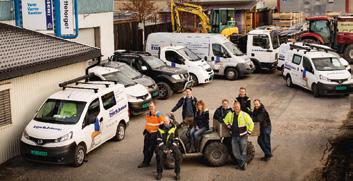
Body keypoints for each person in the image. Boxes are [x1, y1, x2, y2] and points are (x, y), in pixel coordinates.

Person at [224, 101, 254, 170]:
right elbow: (225, 120)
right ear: (233, 107)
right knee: (235, 152)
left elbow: (251, 123)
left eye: (237, 107)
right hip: (234, 136)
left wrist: (249, 132)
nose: (236, 108)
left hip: (243, 136)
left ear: (240, 107)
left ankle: (242, 165)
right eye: (235, 107)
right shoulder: (230, 114)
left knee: (243, 151)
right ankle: (243, 163)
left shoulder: (244, 115)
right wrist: (228, 124)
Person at [138, 101, 165, 168]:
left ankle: (160, 164)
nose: (151, 108)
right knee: (146, 149)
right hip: (148, 134)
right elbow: (148, 123)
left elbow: (163, 124)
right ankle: (145, 162)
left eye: (152, 106)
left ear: (155, 107)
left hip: (155, 135)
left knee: (155, 149)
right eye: (150, 107)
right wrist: (145, 130)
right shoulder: (148, 114)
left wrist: (158, 132)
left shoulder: (158, 114)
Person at [156, 116, 182, 180]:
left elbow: (176, 139)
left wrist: (171, 149)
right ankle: (159, 173)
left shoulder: (174, 128)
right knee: (159, 155)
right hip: (163, 147)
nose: (165, 123)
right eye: (164, 121)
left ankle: (177, 173)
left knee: (178, 155)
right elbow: (159, 140)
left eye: (166, 121)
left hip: (172, 146)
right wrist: (164, 149)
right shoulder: (159, 129)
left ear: (169, 121)